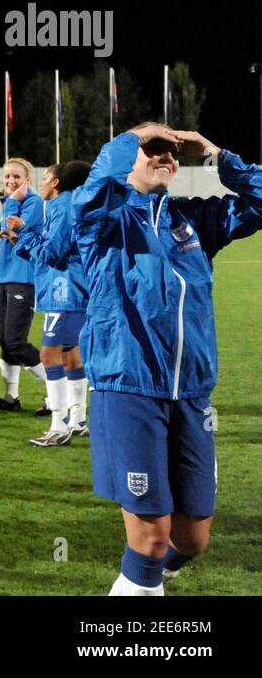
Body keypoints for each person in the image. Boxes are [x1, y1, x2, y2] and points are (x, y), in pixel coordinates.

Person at [74, 124, 261, 595]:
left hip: (193, 394)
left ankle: (145, 580)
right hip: (130, 389)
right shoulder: (103, 218)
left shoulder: (192, 220)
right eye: (152, 152)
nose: (165, 159)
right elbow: (95, 188)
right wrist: (132, 136)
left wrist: (218, 154)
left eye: (171, 155)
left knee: (192, 540)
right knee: (151, 540)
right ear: (128, 159)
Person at [7, 160, 92, 446]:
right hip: (72, 288)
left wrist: (25, 231)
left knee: (48, 356)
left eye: (44, 178)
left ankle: (58, 425)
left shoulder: (62, 207)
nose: (40, 183)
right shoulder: (69, 206)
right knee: (70, 356)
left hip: (63, 291)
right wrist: (21, 239)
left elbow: (53, 254)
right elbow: (50, 252)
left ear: (56, 183)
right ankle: (78, 419)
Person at [0, 158, 48, 411]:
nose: (10, 181)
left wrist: (14, 201)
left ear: (27, 179)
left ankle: (56, 396)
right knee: (5, 341)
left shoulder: (33, 202)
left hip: (23, 281)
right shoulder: (11, 203)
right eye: (7, 177)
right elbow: (11, 244)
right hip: (5, 280)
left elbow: (22, 240)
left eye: (16, 177)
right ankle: (11, 398)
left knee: (16, 341)